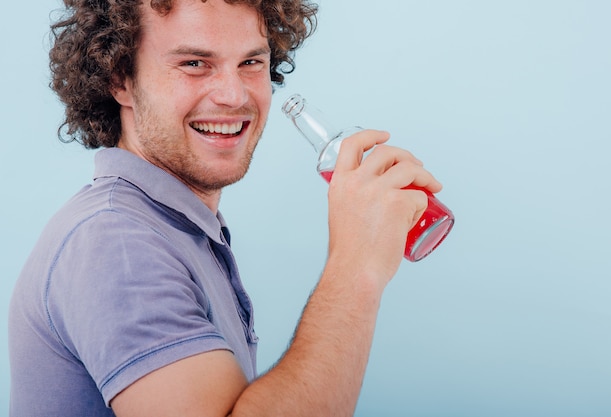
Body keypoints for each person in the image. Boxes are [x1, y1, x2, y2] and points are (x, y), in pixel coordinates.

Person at [8, 0, 443, 415]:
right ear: (120, 79)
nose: (234, 95)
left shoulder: (175, 226)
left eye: (251, 63)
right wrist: (356, 267)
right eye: (194, 63)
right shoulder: (115, 243)